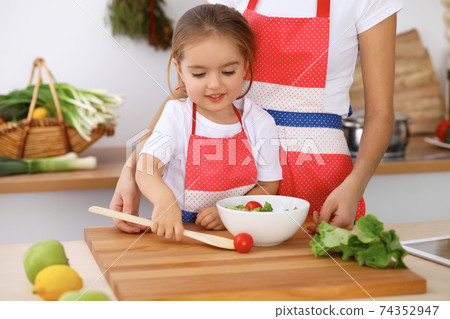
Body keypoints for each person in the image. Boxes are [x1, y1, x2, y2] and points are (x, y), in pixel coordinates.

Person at [111, 0, 403, 234]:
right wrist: (131, 167)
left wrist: (356, 184)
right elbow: (188, 93)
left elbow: (380, 112)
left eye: (229, 72)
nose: (216, 81)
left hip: (321, 178)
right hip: (234, 177)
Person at [131, 4, 282, 241]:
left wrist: (232, 213)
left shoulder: (260, 122)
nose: (214, 84)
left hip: (235, 236)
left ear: (245, 65)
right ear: (180, 70)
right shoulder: (176, 115)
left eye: (228, 72)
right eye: (200, 74)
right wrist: (165, 201)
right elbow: (146, 168)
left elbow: (268, 185)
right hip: (179, 236)